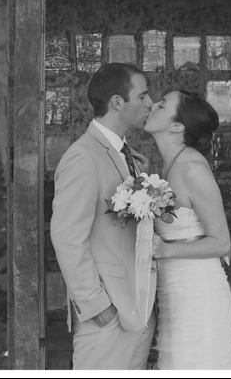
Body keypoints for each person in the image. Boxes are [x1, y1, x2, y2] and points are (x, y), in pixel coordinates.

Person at [50, 63, 155, 370]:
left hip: (138, 310)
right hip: (108, 316)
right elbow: (67, 237)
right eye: (143, 95)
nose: (150, 103)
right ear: (117, 102)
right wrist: (96, 305)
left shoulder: (127, 154)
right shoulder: (83, 156)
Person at [145, 90, 231, 370]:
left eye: (162, 105)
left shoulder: (193, 168)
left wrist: (166, 250)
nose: (152, 105)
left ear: (176, 126)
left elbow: (222, 243)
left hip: (199, 296)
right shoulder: (167, 166)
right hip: (172, 296)